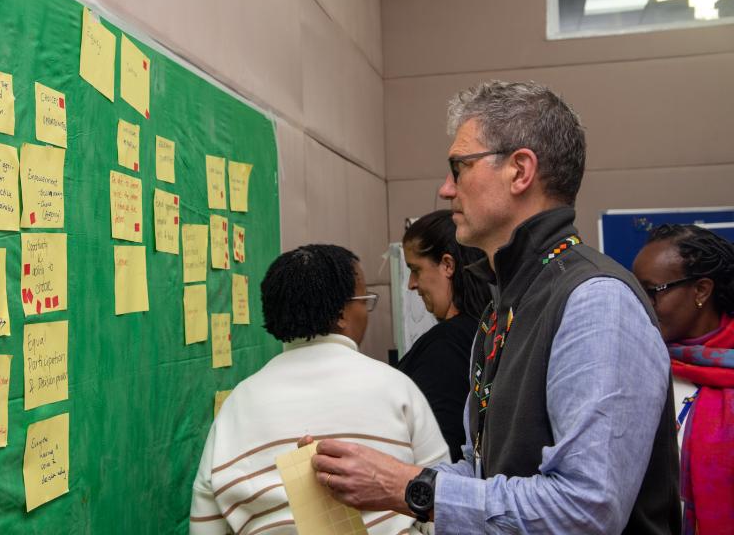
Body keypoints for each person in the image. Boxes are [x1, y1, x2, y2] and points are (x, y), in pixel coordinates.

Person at [305, 81, 681, 533]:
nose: (446, 189)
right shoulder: (505, 303)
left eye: (459, 167)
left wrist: (408, 486)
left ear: (520, 171)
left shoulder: (595, 301)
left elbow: (585, 511)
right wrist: (379, 473)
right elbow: (483, 473)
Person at [189, 244, 449, 534]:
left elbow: (205, 525)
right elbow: (443, 507)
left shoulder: (236, 406)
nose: (367, 311)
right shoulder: (398, 389)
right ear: (341, 313)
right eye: (364, 300)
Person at [632, 224, 734, 535]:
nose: (641, 304)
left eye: (653, 291)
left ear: (701, 290)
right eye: (636, 292)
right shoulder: (635, 368)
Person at [397, 210, 489, 461]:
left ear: (447, 265)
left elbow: (441, 446)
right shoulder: (490, 330)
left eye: (416, 269)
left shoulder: (445, 346)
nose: (411, 284)